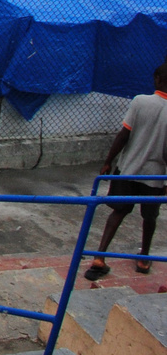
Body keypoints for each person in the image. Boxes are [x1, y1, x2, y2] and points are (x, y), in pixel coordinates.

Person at [84, 63, 167, 280]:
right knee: (149, 217)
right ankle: (144, 258)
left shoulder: (140, 101)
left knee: (118, 211)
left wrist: (108, 162)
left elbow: (123, 135)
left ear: (157, 79)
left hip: (129, 169)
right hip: (156, 176)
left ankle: (100, 256)